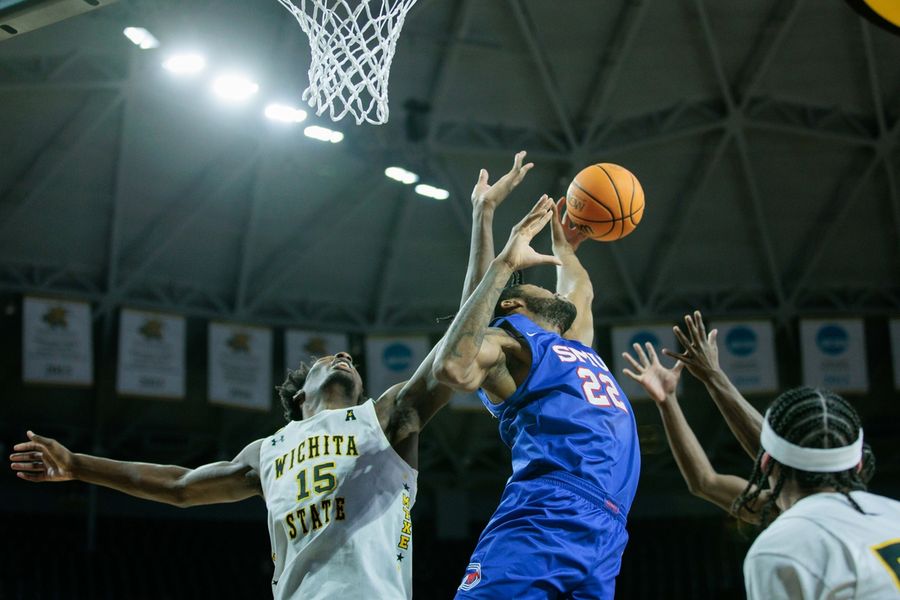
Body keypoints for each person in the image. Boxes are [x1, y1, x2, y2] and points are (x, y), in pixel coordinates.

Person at [8, 153, 536, 600]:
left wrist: (483, 221)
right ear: (299, 393)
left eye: (350, 360)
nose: (344, 357)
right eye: (327, 359)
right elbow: (179, 486)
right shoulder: (267, 451)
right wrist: (78, 464)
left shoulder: (387, 416)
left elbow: (460, 343)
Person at [433, 195, 640, 599]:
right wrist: (504, 265)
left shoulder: (572, 344)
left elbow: (581, 288)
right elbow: (452, 367)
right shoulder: (506, 341)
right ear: (512, 303)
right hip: (548, 509)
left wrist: (565, 248)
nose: (555, 289)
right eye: (539, 285)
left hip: (608, 527)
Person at [623, 314, 900, 599]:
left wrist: (711, 379)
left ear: (765, 463)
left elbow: (713, 479)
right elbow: (706, 481)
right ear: (859, 463)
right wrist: (674, 397)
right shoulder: (893, 514)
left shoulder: (783, 545)